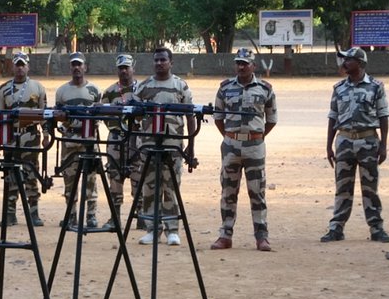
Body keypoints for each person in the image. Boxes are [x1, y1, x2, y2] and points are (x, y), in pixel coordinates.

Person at [321, 47, 389, 243]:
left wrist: (383, 145)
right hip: (344, 141)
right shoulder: (338, 88)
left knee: (370, 188)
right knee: (342, 187)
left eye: (349, 60)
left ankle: (376, 228)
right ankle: (336, 228)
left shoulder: (376, 87)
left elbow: (383, 116)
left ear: (360, 63)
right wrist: (329, 146)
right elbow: (333, 117)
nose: (344, 63)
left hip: (368, 141)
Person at [211, 48, 277, 251]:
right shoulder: (225, 88)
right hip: (230, 146)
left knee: (257, 192)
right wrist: (230, 136)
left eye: (245, 63)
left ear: (253, 66)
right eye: (238, 63)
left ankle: (261, 236)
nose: (241, 67)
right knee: (228, 192)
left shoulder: (265, 89)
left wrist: (257, 136)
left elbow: (271, 119)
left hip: (254, 147)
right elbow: (218, 118)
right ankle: (225, 235)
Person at [134, 47, 196, 246]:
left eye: (163, 60)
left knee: (171, 187)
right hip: (148, 146)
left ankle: (172, 230)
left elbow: (190, 116)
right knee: (149, 188)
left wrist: (191, 145)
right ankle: (152, 230)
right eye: (156, 60)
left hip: (173, 146)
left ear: (171, 62)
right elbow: (133, 117)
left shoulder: (180, 86)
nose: (159, 63)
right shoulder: (143, 87)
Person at [0, 51, 48, 226]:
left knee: (31, 173)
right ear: (12, 67)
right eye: (17, 65)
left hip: (31, 136)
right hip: (11, 136)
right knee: (11, 174)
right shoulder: (3, 89)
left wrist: (46, 135)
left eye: (23, 65)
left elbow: (44, 114)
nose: (20, 68)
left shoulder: (38, 87)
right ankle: (10, 213)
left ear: (28, 67)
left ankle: (34, 212)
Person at [54, 51, 101, 229]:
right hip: (69, 141)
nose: (77, 68)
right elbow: (57, 114)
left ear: (85, 67)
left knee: (91, 179)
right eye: (74, 64)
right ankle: (71, 215)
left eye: (79, 64)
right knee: (69, 179)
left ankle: (91, 215)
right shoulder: (62, 91)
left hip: (89, 140)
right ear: (70, 67)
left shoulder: (95, 90)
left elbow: (100, 115)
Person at [101, 53, 140, 226]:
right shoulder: (109, 92)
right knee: (114, 176)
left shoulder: (141, 89)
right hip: (116, 139)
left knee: (138, 175)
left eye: (126, 67)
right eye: (121, 68)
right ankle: (115, 217)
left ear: (133, 68)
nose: (124, 71)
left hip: (137, 139)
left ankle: (141, 216)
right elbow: (103, 115)